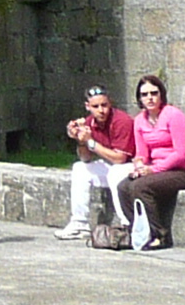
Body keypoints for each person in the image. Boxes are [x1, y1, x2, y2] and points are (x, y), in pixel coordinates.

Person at [118, 75, 185, 250]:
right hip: (154, 169)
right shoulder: (139, 120)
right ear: (139, 98)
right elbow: (141, 153)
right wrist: (139, 165)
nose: (150, 98)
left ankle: (159, 235)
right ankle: (137, 230)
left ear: (161, 95)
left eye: (154, 93)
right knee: (123, 187)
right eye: (144, 94)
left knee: (141, 187)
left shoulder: (173, 115)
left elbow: (181, 153)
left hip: (179, 171)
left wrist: (154, 170)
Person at [54, 85, 135, 241]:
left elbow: (120, 159)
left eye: (104, 105)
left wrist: (91, 143)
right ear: (87, 107)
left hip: (130, 168)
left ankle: (127, 226)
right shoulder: (90, 122)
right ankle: (79, 223)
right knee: (79, 168)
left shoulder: (122, 121)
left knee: (115, 171)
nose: (101, 110)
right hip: (111, 167)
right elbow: (85, 158)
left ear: (110, 103)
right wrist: (80, 139)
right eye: (95, 106)